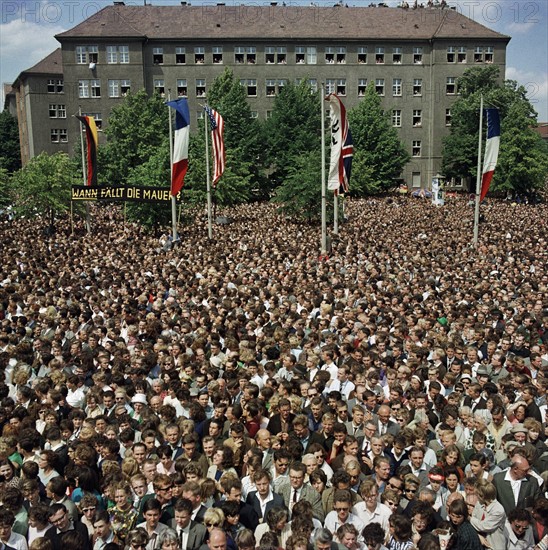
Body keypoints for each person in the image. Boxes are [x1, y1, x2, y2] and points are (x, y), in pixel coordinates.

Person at [468, 480, 505, 550]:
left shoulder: (498, 510)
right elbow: (474, 520)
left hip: (494, 546)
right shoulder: (479, 503)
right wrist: (478, 536)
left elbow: (484, 526)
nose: (476, 496)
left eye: (477, 494)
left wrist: (469, 518)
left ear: (482, 496)